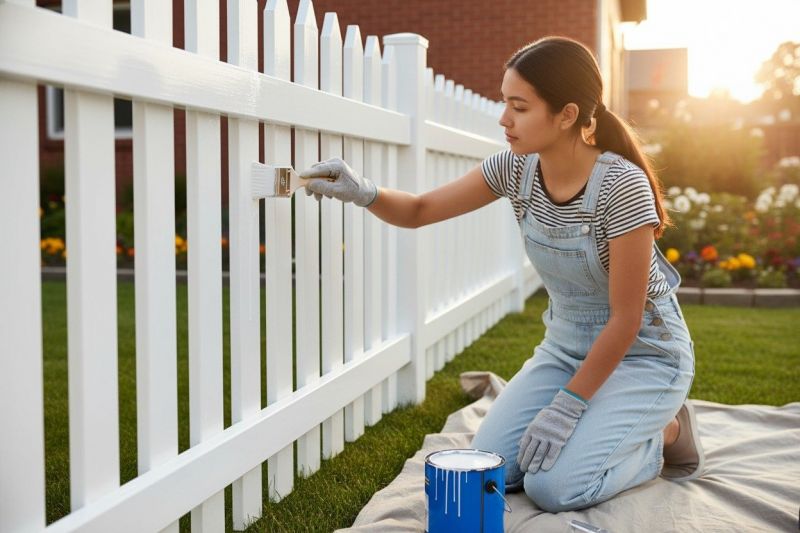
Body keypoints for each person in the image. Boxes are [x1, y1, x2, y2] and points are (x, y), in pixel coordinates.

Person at [299, 36, 704, 513]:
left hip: (643, 356)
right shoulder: (515, 169)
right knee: (491, 468)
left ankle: (665, 433)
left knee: (554, 488)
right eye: (504, 103)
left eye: (519, 106)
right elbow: (421, 209)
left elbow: (626, 319)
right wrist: (362, 190)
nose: (503, 118)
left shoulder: (621, 186)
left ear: (567, 114)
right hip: (566, 347)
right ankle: (605, 421)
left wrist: (568, 406)